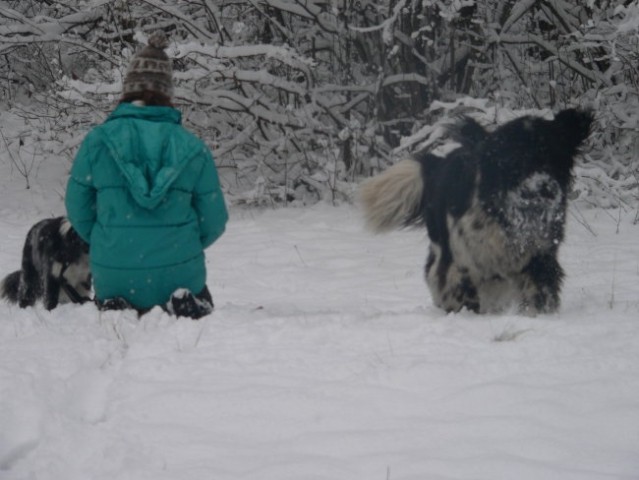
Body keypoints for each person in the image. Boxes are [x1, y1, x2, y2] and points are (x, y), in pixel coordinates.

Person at [65, 31, 228, 319]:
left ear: (128, 89)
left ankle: (118, 307)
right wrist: (181, 245)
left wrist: (107, 239)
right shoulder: (192, 147)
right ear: (167, 92)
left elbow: (78, 209)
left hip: (115, 278)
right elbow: (213, 220)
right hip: (180, 279)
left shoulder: (98, 142)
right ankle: (181, 303)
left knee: (116, 306)